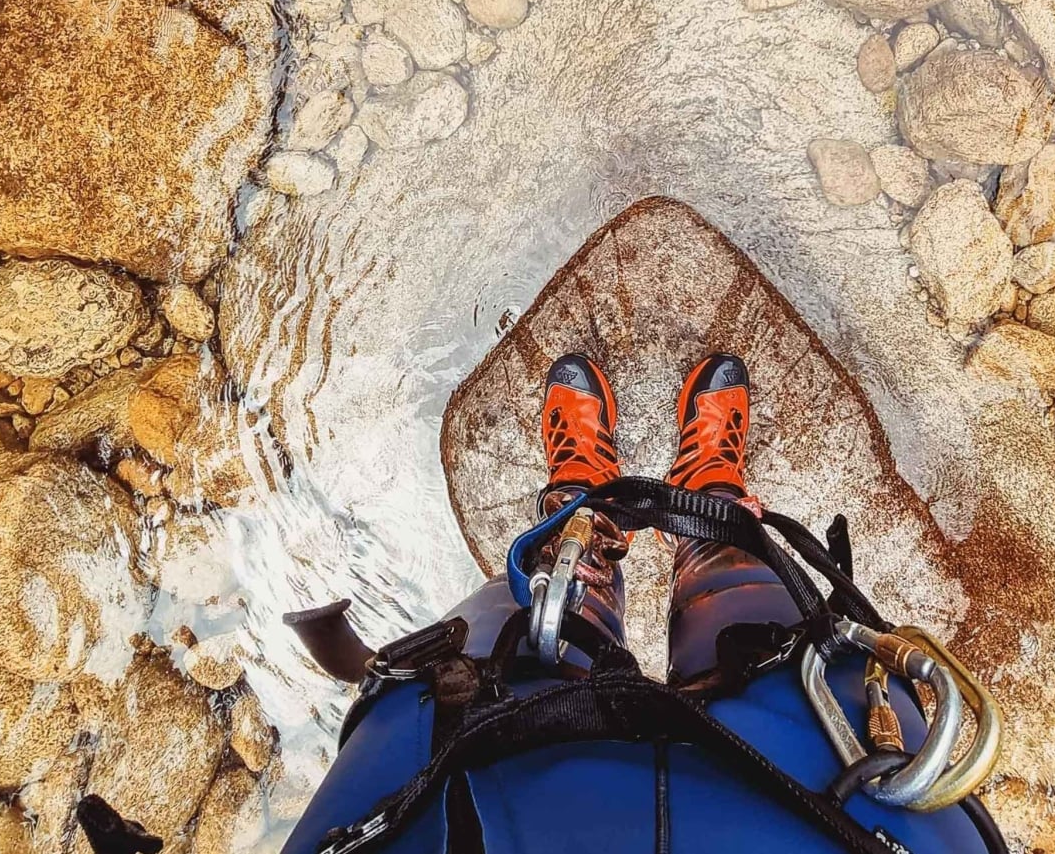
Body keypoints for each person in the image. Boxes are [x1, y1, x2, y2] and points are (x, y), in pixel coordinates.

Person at [280, 354, 1005, 854]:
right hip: (835, 799)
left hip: (455, 786)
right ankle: (711, 497)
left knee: (533, 616)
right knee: (757, 617)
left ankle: (583, 506)